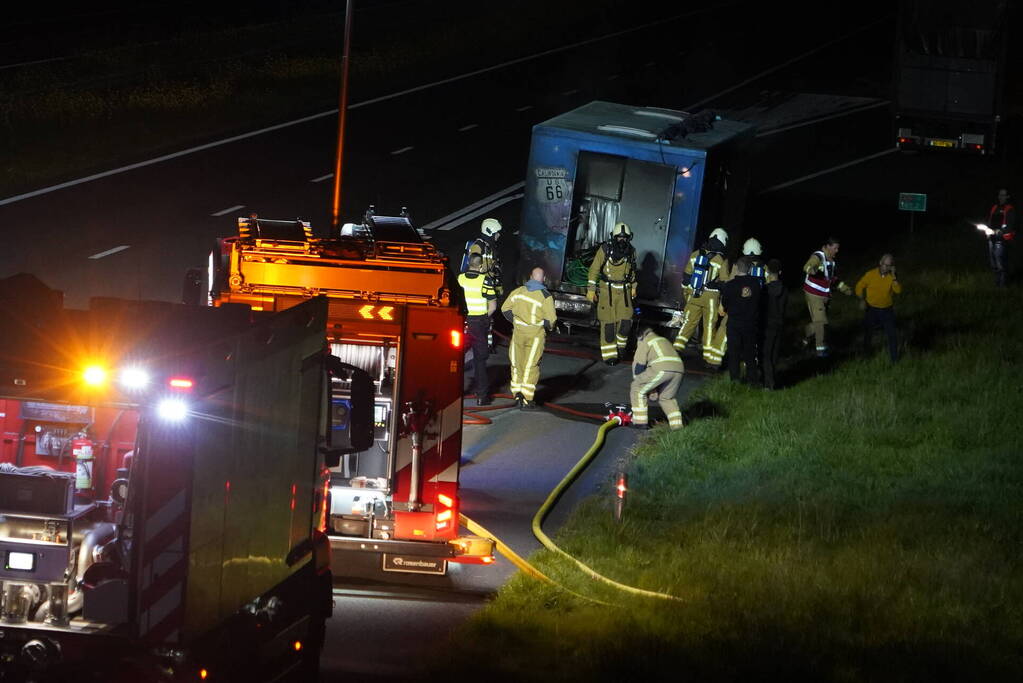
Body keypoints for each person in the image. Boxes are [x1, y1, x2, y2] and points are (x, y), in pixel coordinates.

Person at [673, 228, 730, 367]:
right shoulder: (721, 260)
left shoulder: (695, 254)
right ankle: (708, 358)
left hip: (694, 295)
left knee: (688, 323)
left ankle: (676, 350)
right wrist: (723, 302)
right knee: (709, 326)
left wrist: (687, 294)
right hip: (711, 297)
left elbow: (686, 278)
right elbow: (724, 283)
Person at [501, 267, 556, 410]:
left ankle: (517, 393)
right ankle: (526, 399)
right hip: (535, 337)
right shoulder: (545, 296)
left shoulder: (518, 291)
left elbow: (505, 308)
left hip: (518, 334)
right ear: (543, 279)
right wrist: (543, 324)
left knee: (516, 363)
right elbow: (551, 321)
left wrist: (516, 321)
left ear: (530, 276)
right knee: (531, 366)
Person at [587, 222, 638, 364]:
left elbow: (632, 271)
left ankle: (620, 348)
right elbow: (594, 270)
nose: (622, 240)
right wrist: (591, 290)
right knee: (608, 325)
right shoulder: (605, 250)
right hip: (607, 292)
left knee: (626, 323)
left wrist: (634, 286)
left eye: (625, 237)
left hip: (625, 293)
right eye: (619, 237)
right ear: (613, 237)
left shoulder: (631, 252)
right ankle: (610, 355)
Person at [458, 254, 498, 405]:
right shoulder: (485, 280)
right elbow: (493, 306)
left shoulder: (460, 279)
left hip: (462, 322)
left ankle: (454, 392)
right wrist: (484, 318)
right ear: (480, 266)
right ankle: (482, 396)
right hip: (479, 323)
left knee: (455, 358)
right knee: (480, 360)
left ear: (468, 264)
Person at [802, 237, 852, 358]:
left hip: (824, 295)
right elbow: (807, 267)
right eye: (835, 248)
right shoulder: (818, 257)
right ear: (828, 246)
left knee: (820, 322)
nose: (837, 250)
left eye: (838, 248)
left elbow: (832, 279)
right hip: (813, 293)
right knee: (821, 321)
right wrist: (813, 270)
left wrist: (844, 288)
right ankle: (820, 349)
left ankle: (805, 338)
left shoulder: (831, 261)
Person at [630, 327, 685, 430]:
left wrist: (641, 383)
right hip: (679, 369)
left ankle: (640, 422)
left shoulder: (645, 341)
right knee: (666, 398)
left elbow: (638, 366)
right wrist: (652, 389)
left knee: (637, 388)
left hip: (662, 368)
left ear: (640, 336)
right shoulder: (663, 340)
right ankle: (677, 426)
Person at [720, 257, 762, 384]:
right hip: (750, 324)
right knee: (750, 354)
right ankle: (752, 381)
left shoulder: (729, 286)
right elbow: (760, 302)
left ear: (737, 268)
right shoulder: (756, 284)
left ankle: (735, 381)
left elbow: (724, 304)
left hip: (734, 325)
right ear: (750, 268)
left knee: (734, 354)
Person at [855, 253, 902, 362]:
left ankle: (894, 360)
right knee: (868, 334)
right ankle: (866, 357)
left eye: (889, 266)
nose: (886, 268)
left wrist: (894, 277)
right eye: (885, 265)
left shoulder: (892, 277)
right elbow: (859, 286)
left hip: (887, 310)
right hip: (872, 309)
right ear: (880, 263)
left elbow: (898, 290)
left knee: (892, 335)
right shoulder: (870, 274)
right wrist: (862, 299)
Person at [761, 258, 788, 390]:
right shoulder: (784, 290)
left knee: (765, 354)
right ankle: (773, 380)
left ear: (767, 271)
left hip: (767, 324)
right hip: (779, 323)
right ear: (780, 272)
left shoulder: (765, 290)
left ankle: (768, 383)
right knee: (774, 354)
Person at [464, 218, 504, 294]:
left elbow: (495, 268)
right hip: (479, 287)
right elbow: (473, 269)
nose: (499, 235)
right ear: (489, 232)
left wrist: (497, 286)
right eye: (497, 233)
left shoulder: (490, 247)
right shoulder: (478, 247)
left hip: (488, 283)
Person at [985, 188, 1015, 287]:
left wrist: (1000, 231)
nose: (1001, 197)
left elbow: (1010, 226)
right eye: (1000, 195)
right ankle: (997, 284)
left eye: (1003, 195)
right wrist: (987, 230)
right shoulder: (994, 207)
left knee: (1000, 264)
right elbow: (990, 222)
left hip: (1002, 240)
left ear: (1007, 197)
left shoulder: (1009, 209)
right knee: (993, 264)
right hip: (991, 239)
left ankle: (1003, 287)